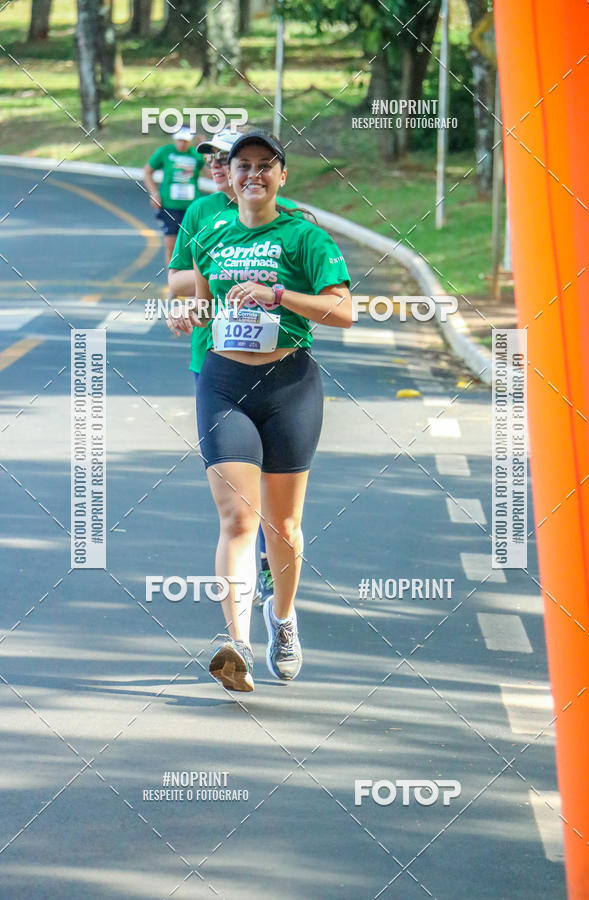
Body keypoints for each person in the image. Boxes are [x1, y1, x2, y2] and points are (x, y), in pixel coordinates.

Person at [168, 130, 352, 692]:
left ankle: (283, 619)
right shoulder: (210, 228)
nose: (251, 175)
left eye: (263, 166)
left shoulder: (304, 236)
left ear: (281, 174)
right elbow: (200, 297)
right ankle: (237, 644)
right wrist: (186, 315)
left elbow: (343, 312)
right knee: (238, 518)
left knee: (283, 525)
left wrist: (278, 296)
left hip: (289, 383)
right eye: (241, 165)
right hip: (223, 382)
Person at [167, 127, 298, 609]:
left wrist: (268, 285)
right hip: (214, 362)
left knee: (275, 490)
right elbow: (178, 279)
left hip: (278, 369)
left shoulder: (280, 215)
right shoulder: (202, 214)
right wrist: (199, 295)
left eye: (227, 158)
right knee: (238, 497)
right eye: (214, 160)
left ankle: (271, 566)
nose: (217, 167)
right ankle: (248, 566)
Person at [143, 127, 204, 271]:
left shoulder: (196, 155)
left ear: (190, 141)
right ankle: (173, 284)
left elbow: (211, 174)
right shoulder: (165, 152)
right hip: (169, 206)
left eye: (186, 141)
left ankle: (190, 284)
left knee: (192, 246)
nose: (182, 144)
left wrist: (207, 152)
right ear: (175, 139)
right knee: (172, 245)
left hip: (191, 207)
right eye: (179, 140)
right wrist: (154, 193)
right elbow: (147, 172)